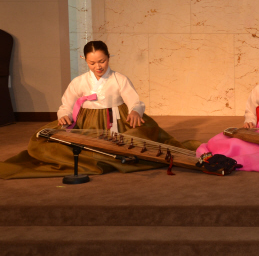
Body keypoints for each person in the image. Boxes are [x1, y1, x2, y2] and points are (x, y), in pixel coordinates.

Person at [0, 41, 197, 179]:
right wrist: (64, 116)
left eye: (102, 61)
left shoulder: (119, 79)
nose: (98, 66)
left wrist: (135, 111)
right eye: (92, 63)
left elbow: (134, 101)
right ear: (84, 60)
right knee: (45, 139)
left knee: (140, 141)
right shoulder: (79, 82)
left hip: (116, 120)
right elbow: (66, 105)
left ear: (109, 57)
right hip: (85, 121)